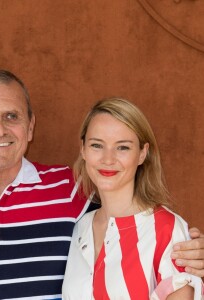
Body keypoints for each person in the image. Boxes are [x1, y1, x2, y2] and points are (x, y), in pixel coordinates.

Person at [0, 70, 203, 300]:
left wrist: (190, 252)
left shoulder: (73, 190)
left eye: (12, 116)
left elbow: (138, 226)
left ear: (30, 126)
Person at [62, 98, 203, 299]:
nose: (108, 159)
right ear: (83, 149)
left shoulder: (166, 229)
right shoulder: (80, 228)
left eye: (123, 147)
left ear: (142, 154)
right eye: (96, 145)